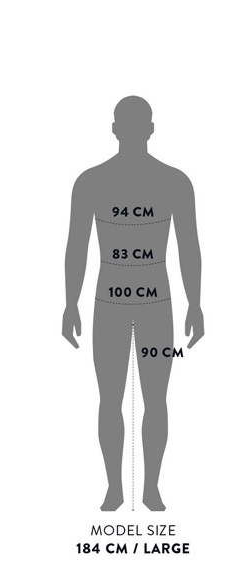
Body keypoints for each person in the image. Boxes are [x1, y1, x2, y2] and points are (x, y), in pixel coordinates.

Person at [62, 96, 204, 511]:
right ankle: (117, 488)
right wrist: (70, 303)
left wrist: (195, 303)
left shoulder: (173, 182)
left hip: (147, 301)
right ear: (148, 129)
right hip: (120, 300)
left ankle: (148, 488)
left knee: (150, 399)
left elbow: (189, 246)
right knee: (116, 399)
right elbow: (76, 246)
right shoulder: (92, 182)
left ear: (116, 129)